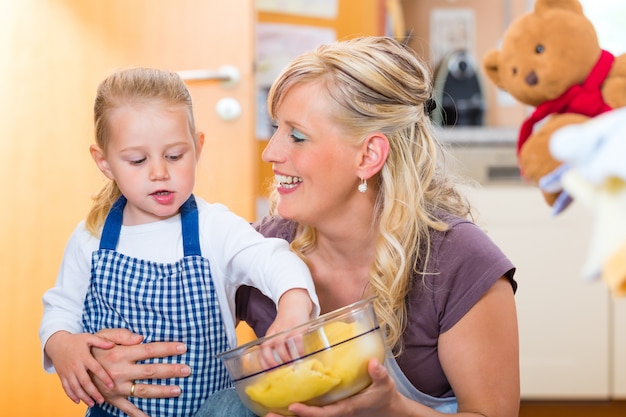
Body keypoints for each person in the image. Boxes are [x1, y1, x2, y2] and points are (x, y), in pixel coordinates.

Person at [79, 36, 520, 417]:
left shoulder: (459, 261)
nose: (271, 152)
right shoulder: (259, 249)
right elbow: (171, 346)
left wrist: (394, 409)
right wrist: (109, 369)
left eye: (297, 135)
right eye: (276, 129)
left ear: (368, 156)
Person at [39, 67, 319, 417]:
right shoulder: (90, 238)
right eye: (137, 160)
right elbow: (60, 310)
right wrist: (62, 345)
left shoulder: (214, 228)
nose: (159, 172)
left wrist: (293, 307)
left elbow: (275, 259)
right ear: (104, 162)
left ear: (197, 147)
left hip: (210, 410)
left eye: (174, 155)